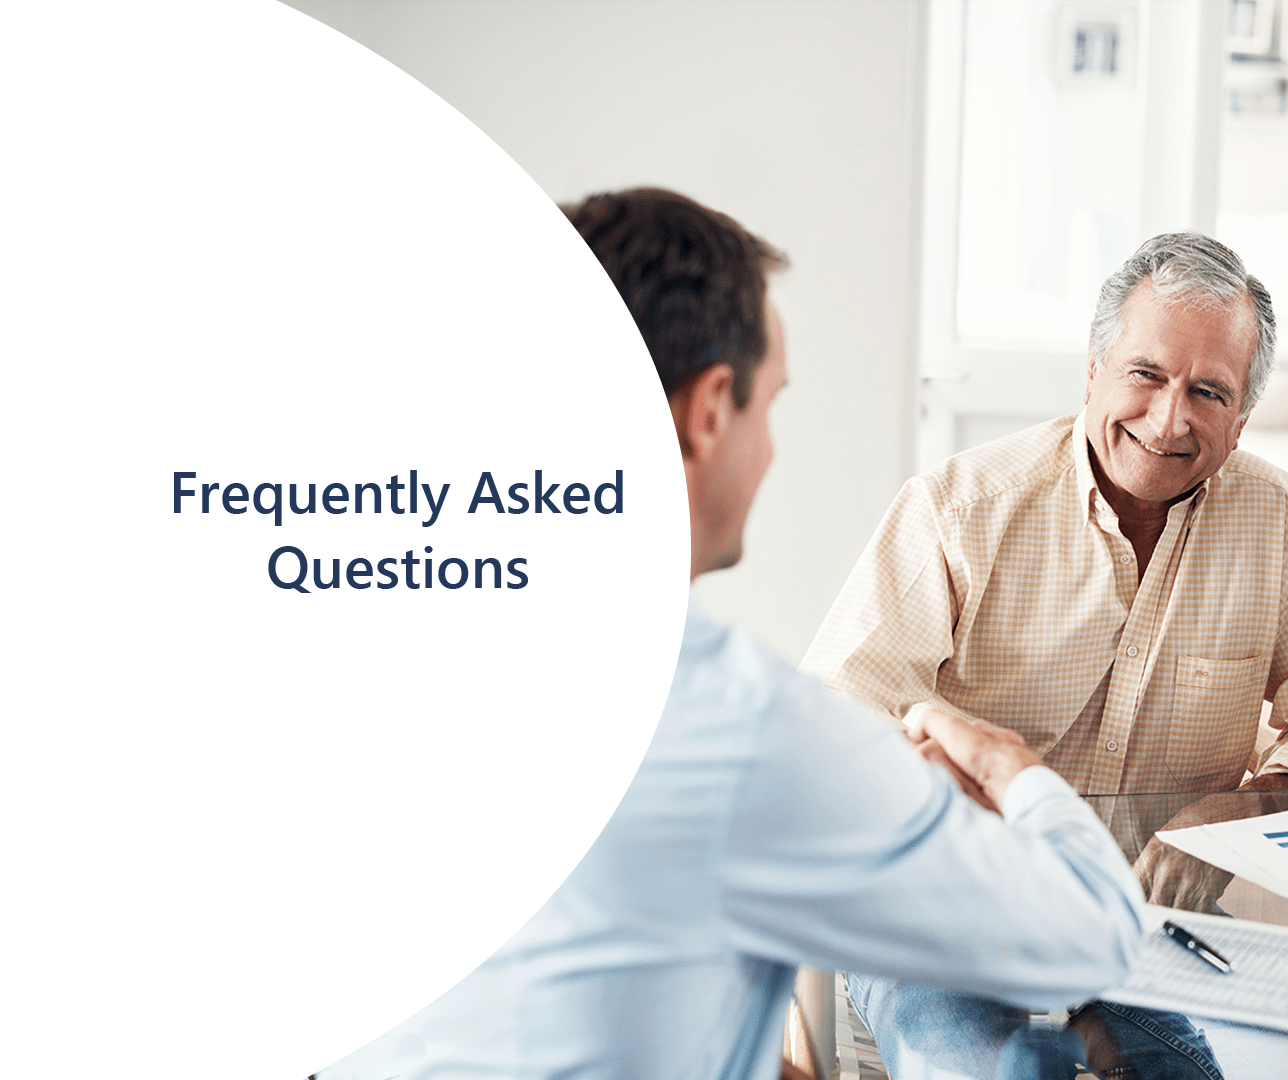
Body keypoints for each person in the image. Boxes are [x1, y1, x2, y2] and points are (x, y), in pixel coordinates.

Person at [316, 187, 1147, 1080]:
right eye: (769, 406)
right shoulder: (742, 727)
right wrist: (1008, 767)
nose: (771, 449)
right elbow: (1093, 935)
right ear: (709, 410)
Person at [802, 233, 1288, 1079]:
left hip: (1142, 934)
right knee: (981, 1072)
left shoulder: (1284, 519)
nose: (1169, 419)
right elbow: (834, 720)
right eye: (1146, 375)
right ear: (1093, 368)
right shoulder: (959, 508)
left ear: (1243, 417)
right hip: (943, 918)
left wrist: (1233, 813)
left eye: (1208, 392)